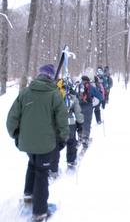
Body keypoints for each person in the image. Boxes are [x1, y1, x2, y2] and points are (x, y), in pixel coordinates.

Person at [6, 64, 69, 222]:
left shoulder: (25, 92)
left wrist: (16, 135)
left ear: (39, 75)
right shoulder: (54, 94)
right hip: (46, 144)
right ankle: (40, 211)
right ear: (51, 77)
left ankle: (28, 195)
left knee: (32, 164)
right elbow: (62, 119)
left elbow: (11, 118)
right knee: (42, 173)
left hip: (27, 143)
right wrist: (63, 138)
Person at [50, 77, 84, 175]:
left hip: (56, 124)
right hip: (70, 123)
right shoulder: (72, 97)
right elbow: (78, 113)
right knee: (71, 143)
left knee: (55, 146)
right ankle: (71, 163)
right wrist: (80, 124)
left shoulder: (53, 95)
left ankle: (53, 169)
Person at [76, 75, 103, 149]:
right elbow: (101, 97)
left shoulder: (77, 86)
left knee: (80, 122)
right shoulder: (91, 87)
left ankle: (80, 137)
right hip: (88, 106)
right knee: (87, 123)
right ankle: (85, 139)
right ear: (88, 80)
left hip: (78, 107)